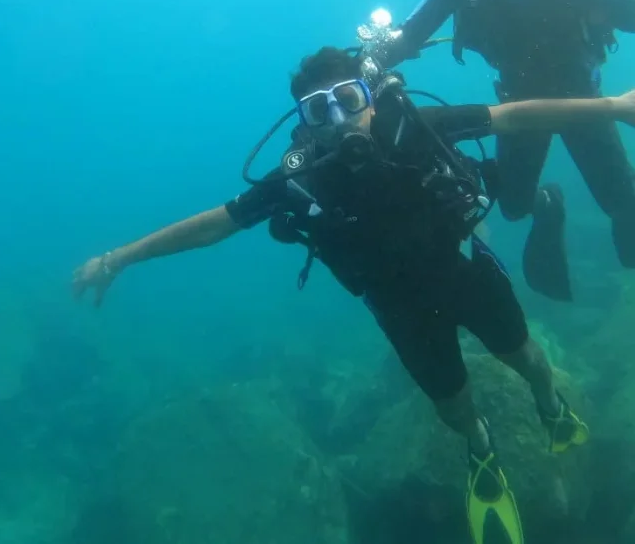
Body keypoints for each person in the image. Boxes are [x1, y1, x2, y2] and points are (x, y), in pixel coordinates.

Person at [72, 47, 635, 542]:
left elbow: (514, 115)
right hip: (399, 308)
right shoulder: (299, 179)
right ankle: (480, 446)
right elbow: (215, 224)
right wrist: (118, 258)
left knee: (526, 357)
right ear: (305, 122)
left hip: (465, 270)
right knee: (452, 404)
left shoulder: (414, 127)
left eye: (348, 98)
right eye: (320, 110)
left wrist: (612, 106)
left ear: (369, 95)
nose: (340, 119)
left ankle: (548, 401)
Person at [385, 0, 635, 300]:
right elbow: (411, 34)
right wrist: (357, 71)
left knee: (622, 203)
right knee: (515, 207)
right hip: (519, 103)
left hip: (583, 101)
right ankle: (547, 205)